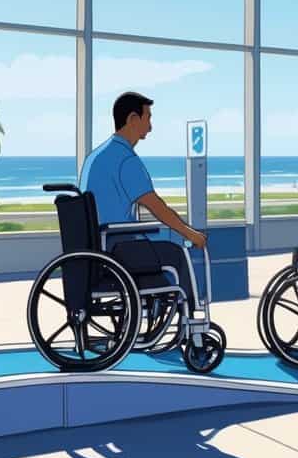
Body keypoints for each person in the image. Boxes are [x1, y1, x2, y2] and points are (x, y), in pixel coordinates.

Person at [79, 92, 206, 302]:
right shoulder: (125, 159)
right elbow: (157, 207)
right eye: (148, 117)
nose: (150, 126)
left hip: (97, 247)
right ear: (132, 119)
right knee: (176, 254)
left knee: (155, 247)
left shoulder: (96, 156)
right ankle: (191, 319)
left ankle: (161, 303)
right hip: (118, 249)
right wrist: (190, 233)